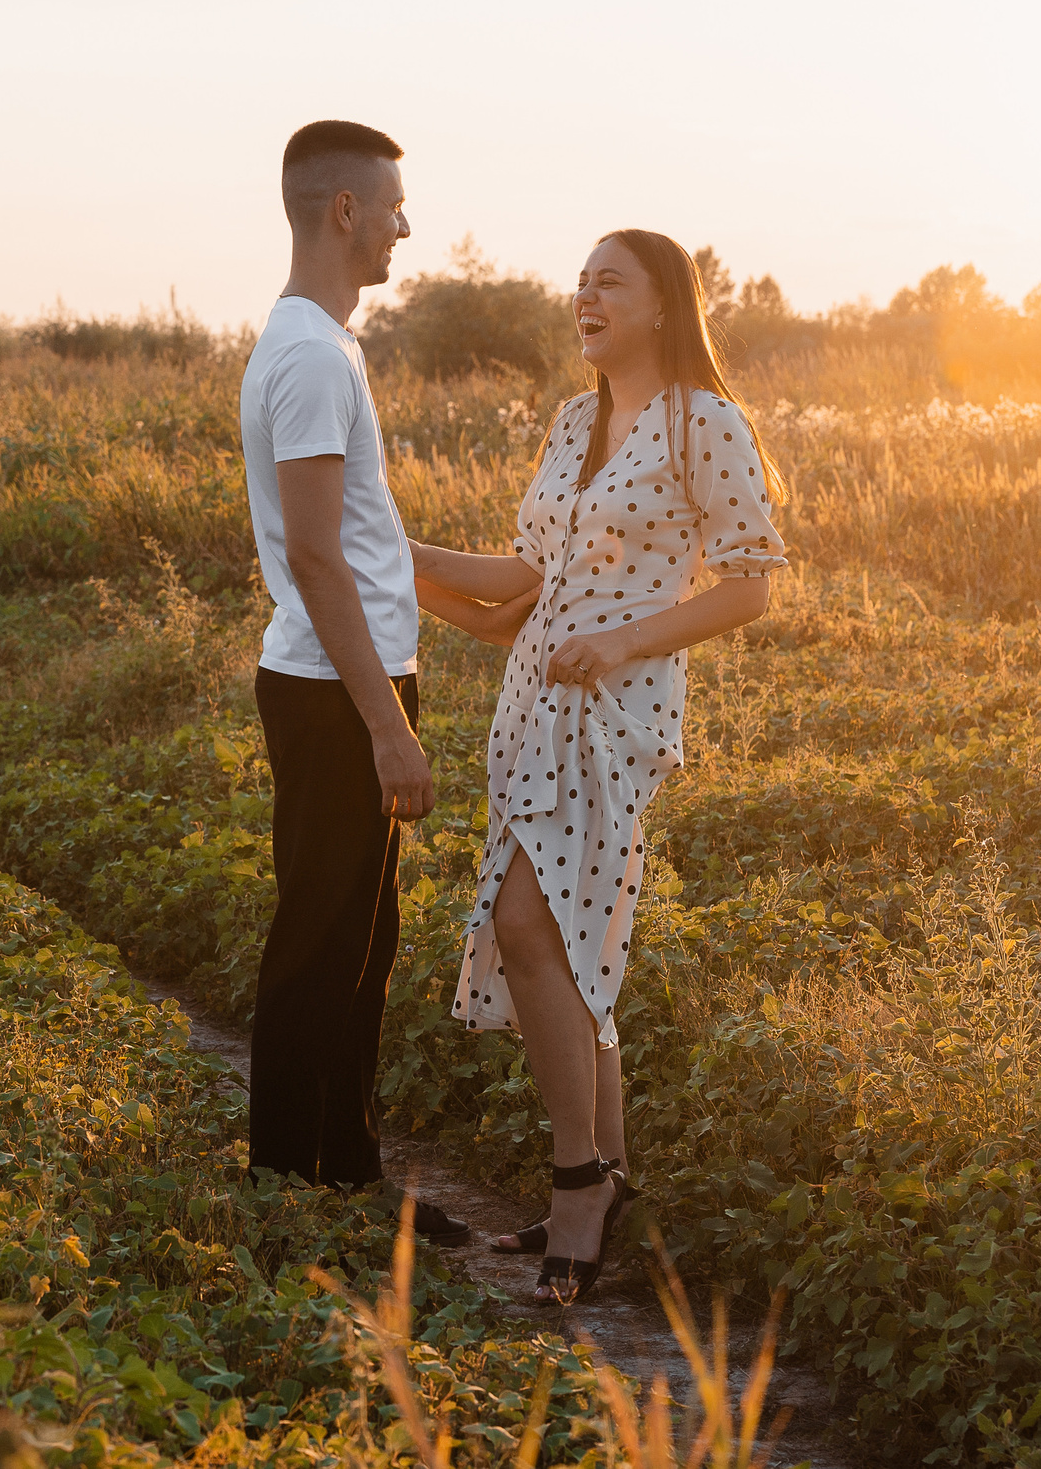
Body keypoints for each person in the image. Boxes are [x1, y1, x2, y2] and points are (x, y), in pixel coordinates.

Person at [409, 229, 786, 1304]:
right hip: (530, 704)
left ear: (664, 305)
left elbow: (752, 584)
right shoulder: (576, 420)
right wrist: (404, 551)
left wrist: (622, 642)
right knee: (572, 935)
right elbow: (520, 583)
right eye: (579, 281)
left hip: (614, 712)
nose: (584, 295)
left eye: (607, 281)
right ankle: (606, 1172)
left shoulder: (702, 423)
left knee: (532, 927)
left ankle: (580, 1178)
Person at [237, 119, 469, 1244]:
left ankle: (340, 1166)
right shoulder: (313, 355)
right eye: (390, 207)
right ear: (341, 211)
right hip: (338, 693)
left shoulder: (317, 346)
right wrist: (388, 727)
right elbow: (320, 556)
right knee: (324, 937)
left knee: (359, 939)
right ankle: (294, 1183)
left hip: (343, 681)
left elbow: (362, 543)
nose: (403, 226)